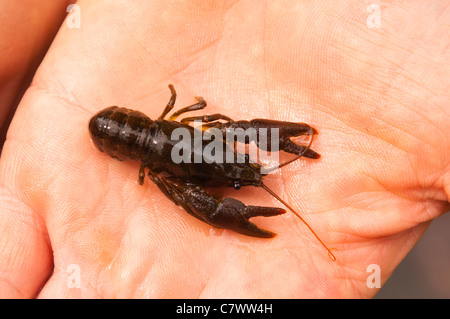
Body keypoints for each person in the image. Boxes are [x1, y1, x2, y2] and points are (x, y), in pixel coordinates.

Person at [0, 1, 448, 298]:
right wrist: (223, 186)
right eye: (237, 180)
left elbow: (219, 155)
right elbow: (196, 187)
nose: (241, 177)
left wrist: (238, 173)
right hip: (123, 131)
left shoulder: (183, 148)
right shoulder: (168, 162)